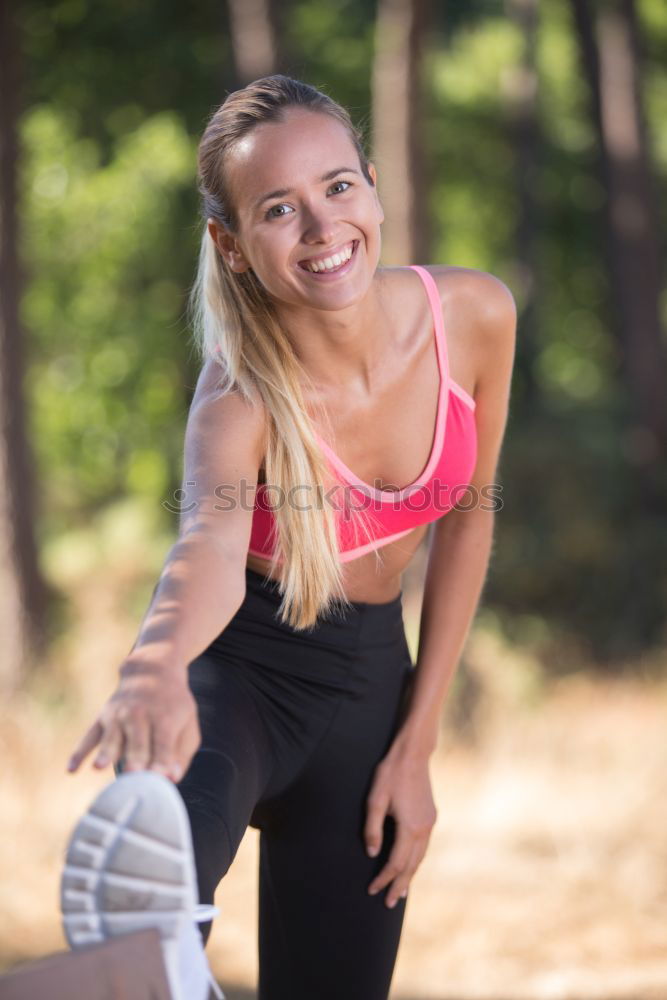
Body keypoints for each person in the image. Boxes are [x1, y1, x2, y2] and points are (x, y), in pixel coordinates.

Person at [63, 74, 516, 1000]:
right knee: (156, 899)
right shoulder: (238, 393)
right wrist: (154, 668)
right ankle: (160, 960)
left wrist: (416, 742)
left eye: (338, 187)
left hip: (367, 689)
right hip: (234, 673)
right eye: (278, 210)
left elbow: (469, 518)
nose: (321, 228)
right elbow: (208, 550)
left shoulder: (472, 317)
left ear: (374, 186)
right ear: (229, 246)